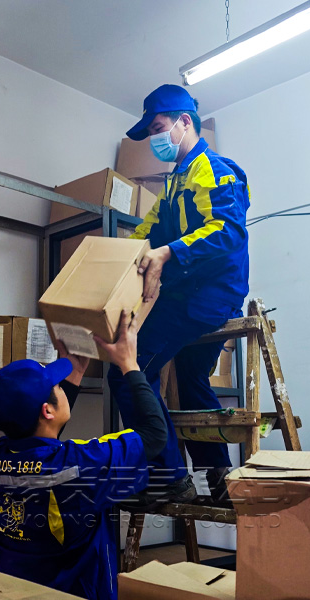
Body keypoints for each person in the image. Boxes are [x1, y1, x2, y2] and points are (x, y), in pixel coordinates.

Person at [113, 83, 250, 502]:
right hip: (189, 292)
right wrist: (113, 259)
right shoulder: (174, 182)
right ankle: (220, 478)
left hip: (208, 294)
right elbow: (146, 231)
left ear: (184, 122)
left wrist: (169, 252)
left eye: (158, 128)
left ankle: (170, 479)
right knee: (191, 380)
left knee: (128, 369)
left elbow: (228, 230)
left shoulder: (215, 169)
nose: (155, 139)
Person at [0, 311, 168, 600]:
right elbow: (154, 435)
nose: (62, 385)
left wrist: (74, 374)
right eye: (57, 386)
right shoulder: (80, 465)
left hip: (16, 593)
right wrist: (130, 364)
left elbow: (43, 451)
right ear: (47, 411)